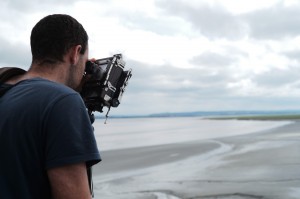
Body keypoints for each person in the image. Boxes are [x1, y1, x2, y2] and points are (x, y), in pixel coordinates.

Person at [0, 14, 101, 199]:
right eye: (85, 62)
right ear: (75, 53)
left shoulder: (6, 89)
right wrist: (71, 99)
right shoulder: (63, 102)